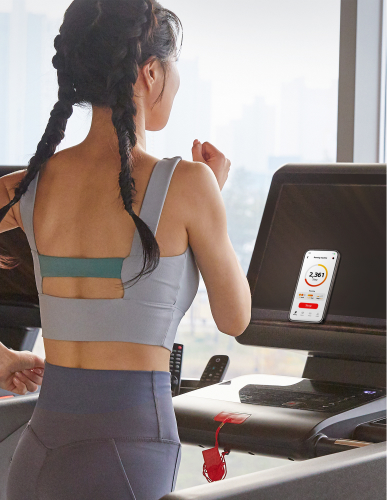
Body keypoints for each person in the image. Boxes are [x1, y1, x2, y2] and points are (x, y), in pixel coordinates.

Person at [0, 0, 251, 498]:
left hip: (36, 457)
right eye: (174, 65)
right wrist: (206, 204)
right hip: (127, 456)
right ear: (151, 72)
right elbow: (235, 317)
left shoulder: (27, 187)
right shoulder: (190, 184)